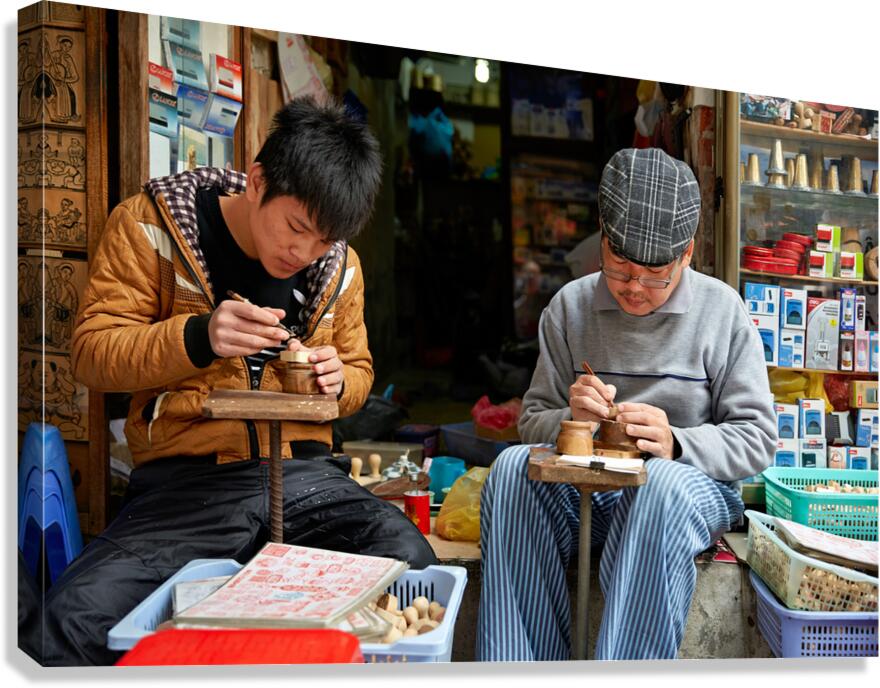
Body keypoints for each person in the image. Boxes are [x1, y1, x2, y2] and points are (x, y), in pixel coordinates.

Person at [21, 96, 437, 666]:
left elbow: (360, 372)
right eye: (296, 228)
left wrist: (339, 382)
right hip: (187, 485)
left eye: (323, 240)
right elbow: (92, 356)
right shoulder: (150, 227)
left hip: (307, 477)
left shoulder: (340, 266)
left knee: (406, 555)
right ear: (258, 181)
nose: (304, 253)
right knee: (67, 622)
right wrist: (198, 336)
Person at [476, 147, 777, 662]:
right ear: (603, 235)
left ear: (687, 254)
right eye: (619, 265)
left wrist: (677, 442)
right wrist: (572, 421)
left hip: (681, 493)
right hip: (590, 490)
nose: (635, 288)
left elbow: (757, 439)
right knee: (509, 471)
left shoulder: (722, 311)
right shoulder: (569, 307)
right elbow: (531, 422)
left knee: (657, 484)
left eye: (656, 273)